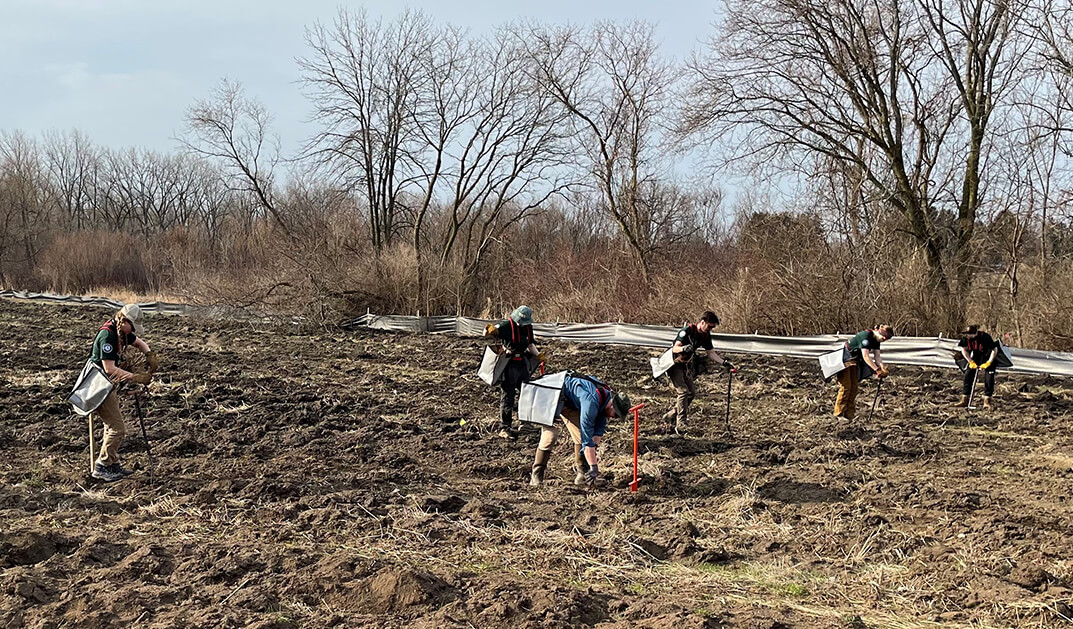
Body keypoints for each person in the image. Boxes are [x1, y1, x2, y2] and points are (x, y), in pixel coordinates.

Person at [89, 304, 158, 482]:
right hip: (98, 385)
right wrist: (135, 377)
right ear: (125, 321)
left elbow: (139, 342)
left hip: (107, 385)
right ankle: (102, 466)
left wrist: (149, 354)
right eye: (133, 327)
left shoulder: (121, 332)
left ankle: (112, 463)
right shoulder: (108, 335)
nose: (132, 332)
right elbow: (109, 368)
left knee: (111, 425)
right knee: (117, 428)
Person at [529, 373, 630, 488]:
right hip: (550, 396)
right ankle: (537, 475)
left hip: (568, 401)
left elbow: (597, 433)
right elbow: (587, 441)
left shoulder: (605, 400)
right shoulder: (591, 403)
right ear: (612, 406)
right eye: (616, 415)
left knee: (580, 436)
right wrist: (594, 467)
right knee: (551, 435)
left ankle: (583, 475)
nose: (614, 418)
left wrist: (593, 454)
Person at [661, 311, 731, 433]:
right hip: (674, 363)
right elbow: (675, 347)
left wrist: (723, 362)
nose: (710, 329)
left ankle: (672, 414)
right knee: (683, 392)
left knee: (691, 393)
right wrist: (684, 348)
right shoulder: (687, 331)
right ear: (702, 322)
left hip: (686, 364)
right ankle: (681, 422)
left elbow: (711, 353)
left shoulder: (705, 335)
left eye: (712, 328)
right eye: (709, 326)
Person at [484, 305, 541, 439]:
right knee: (508, 396)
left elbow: (530, 345)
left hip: (522, 363)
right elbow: (488, 334)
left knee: (527, 393)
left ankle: (525, 423)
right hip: (509, 365)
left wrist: (539, 356)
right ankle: (505, 427)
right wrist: (489, 329)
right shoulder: (506, 326)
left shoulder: (527, 327)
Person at [833, 325, 893, 420]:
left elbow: (877, 356)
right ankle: (839, 413)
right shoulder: (865, 336)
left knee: (854, 387)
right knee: (846, 387)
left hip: (854, 361)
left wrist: (882, 367)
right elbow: (866, 356)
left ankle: (849, 414)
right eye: (884, 335)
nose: (884, 338)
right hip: (844, 359)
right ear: (878, 330)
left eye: (887, 338)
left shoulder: (876, 340)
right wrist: (876, 370)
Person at [956, 324, 999, 410]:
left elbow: (995, 349)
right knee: (968, 375)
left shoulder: (985, 337)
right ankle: (965, 399)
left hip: (988, 357)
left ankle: (987, 401)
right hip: (976, 357)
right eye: (967, 334)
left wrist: (988, 363)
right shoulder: (966, 339)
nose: (967, 336)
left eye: (969, 334)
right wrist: (970, 361)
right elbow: (964, 350)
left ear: (975, 333)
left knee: (989, 379)